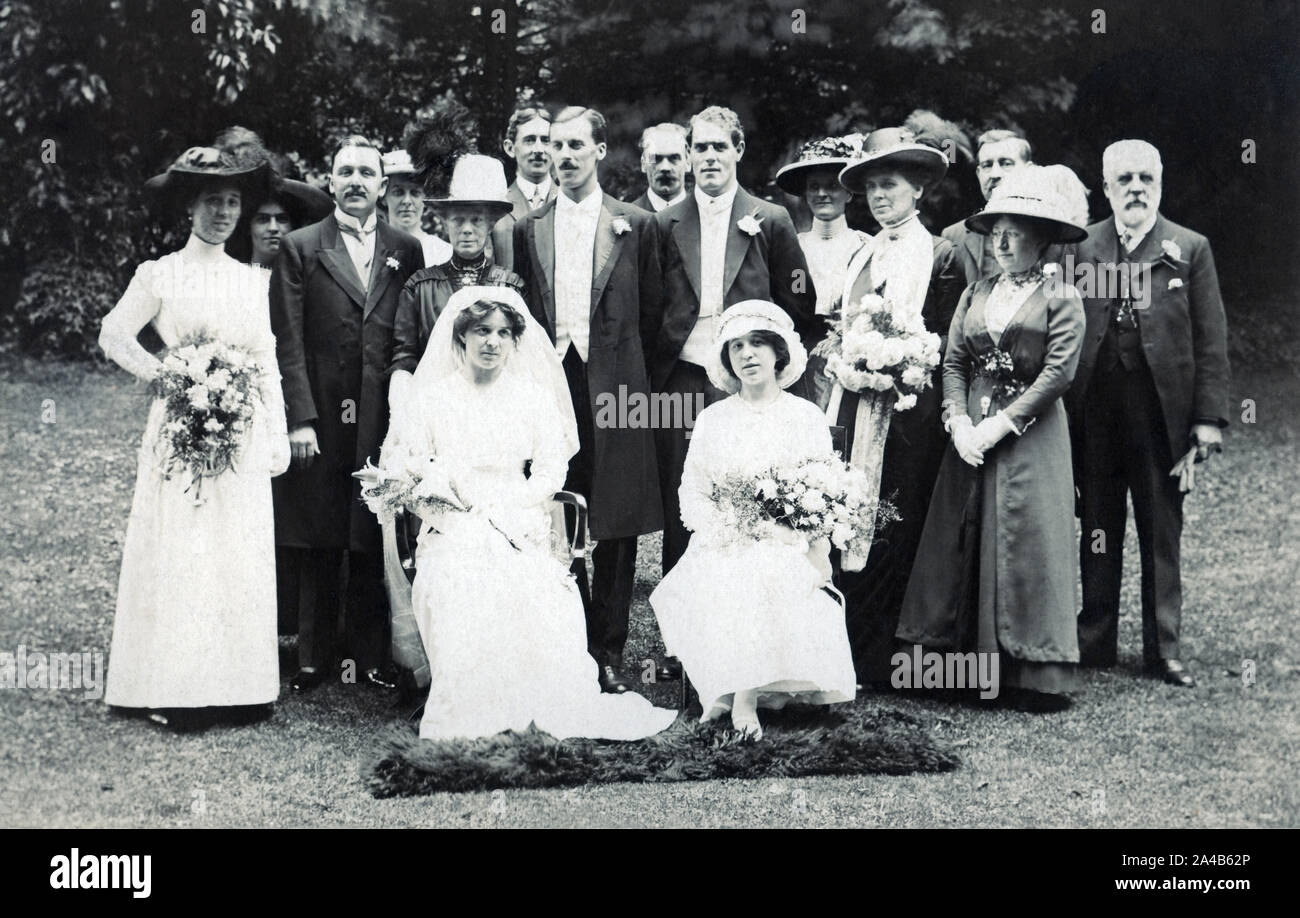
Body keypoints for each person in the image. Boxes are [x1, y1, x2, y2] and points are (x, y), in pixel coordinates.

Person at [401, 286, 678, 741]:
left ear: (515, 342)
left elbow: (552, 465)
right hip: (454, 518)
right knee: (458, 575)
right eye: (481, 331)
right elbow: (412, 468)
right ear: (461, 337)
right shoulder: (432, 399)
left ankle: (535, 698)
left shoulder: (531, 396)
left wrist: (524, 502)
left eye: (503, 333)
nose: (492, 342)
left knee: (535, 582)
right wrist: (452, 507)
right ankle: (475, 706)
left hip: (520, 509)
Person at [99, 146, 287, 726]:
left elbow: (265, 355)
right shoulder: (161, 274)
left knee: (237, 545)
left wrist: (276, 428)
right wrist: (172, 376)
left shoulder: (251, 279)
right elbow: (114, 335)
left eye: (233, 202)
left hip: (241, 425)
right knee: (184, 547)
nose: (224, 213)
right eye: (213, 202)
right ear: (190, 208)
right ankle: (175, 687)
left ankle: (241, 686)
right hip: (181, 425)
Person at [898, 165, 1089, 709]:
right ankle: (957, 667)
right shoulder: (977, 291)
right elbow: (954, 361)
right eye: (995, 230)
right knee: (959, 534)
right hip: (970, 434)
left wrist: (1001, 425)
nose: (1002, 241)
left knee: (1026, 538)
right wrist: (958, 422)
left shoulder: (1062, 296)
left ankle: (1032, 673)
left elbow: (1058, 374)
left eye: (1016, 230)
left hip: (1032, 436)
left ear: (1041, 236)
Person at [512, 106, 666, 694]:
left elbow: (653, 313)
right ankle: (569, 639)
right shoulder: (529, 227)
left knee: (618, 517)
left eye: (577, 144)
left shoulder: (636, 225)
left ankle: (609, 649)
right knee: (559, 505)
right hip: (555, 383)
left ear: (601, 150)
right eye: (556, 145)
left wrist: (629, 374)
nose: (565, 156)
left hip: (620, 385)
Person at [650, 300, 856, 738]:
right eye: (737, 346)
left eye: (758, 344)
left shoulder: (805, 417)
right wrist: (722, 528)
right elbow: (693, 489)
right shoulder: (713, 419)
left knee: (767, 567)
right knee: (738, 569)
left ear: (778, 352)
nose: (748, 354)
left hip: (789, 539)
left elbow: (824, 493)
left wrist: (790, 531)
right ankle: (728, 691)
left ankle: (740, 699)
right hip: (725, 537)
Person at [1068, 140, 1230, 688]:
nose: (1135, 188)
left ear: (1159, 184)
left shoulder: (1189, 247)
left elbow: (1211, 340)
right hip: (1095, 411)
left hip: (1162, 412)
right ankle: (1095, 638)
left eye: (1145, 178)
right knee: (1097, 525)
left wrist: (1207, 419)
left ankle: (1165, 648)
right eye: (1124, 179)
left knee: (1161, 529)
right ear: (1107, 187)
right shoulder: (1081, 247)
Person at [269, 135, 423, 693]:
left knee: (371, 525)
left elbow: (410, 330)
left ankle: (369, 653)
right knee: (317, 529)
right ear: (330, 181)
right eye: (345, 171)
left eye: (366, 172)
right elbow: (285, 337)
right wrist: (300, 417)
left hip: (381, 409)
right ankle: (313, 656)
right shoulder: (301, 246)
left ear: (383, 186)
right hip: (322, 408)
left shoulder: (405, 248)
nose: (356, 181)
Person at [654, 105, 822, 577]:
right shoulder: (666, 222)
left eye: (719, 147)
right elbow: (652, 304)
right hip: (684, 377)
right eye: (700, 148)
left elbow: (799, 302)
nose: (710, 157)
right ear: (688, 155)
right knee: (687, 494)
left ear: (738, 151)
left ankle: (754, 601)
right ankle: (684, 623)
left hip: (747, 379)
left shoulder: (769, 219)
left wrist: (768, 364)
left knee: (751, 488)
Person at [829, 127, 965, 684]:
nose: (880, 197)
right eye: (871, 189)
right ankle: (843, 645)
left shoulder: (940, 254)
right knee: (845, 514)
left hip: (910, 411)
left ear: (918, 189)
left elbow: (950, 340)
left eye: (890, 185)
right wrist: (851, 362)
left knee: (893, 520)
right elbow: (842, 324)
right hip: (852, 403)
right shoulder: (863, 248)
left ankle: (885, 654)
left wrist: (901, 367)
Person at [389, 153, 526, 435]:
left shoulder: (509, 288)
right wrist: (404, 416)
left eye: (476, 220)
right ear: (444, 223)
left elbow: (520, 359)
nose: (466, 230)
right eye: (457, 220)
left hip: (495, 416)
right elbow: (405, 356)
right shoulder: (420, 286)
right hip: (436, 416)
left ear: (490, 226)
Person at [774, 134, 872, 408]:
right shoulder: (793, 248)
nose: (821, 194)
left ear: (849, 192)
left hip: (854, 356)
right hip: (800, 355)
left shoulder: (867, 248)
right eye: (814, 187)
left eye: (831, 186)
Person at [209, 126, 333, 271]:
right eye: (262, 219)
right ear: (248, 227)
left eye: (282, 219)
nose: (273, 228)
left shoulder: (305, 285)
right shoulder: (231, 279)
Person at [941, 130, 1035, 286]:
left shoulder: (1053, 233)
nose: (994, 174)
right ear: (978, 174)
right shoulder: (953, 236)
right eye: (987, 165)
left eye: (1006, 163)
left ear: (1029, 171)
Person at [493, 106, 555, 270]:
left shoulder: (571, 203)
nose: (539, 149)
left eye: (546, 140)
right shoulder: (496, 208)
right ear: (510, 148)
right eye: (529, 140)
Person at [381, 148, 452, 268]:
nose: (407, 201)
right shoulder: (372, 249)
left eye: (415, 193)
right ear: (383, 196)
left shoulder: (443, 253)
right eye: (398, 192)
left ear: (425, 198)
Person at [628, 123, 690, 212]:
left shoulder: (704, 215)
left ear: (688, 162)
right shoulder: (627, 218)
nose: (665, 167)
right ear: (643, 163)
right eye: (655, 158)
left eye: (674, 158)